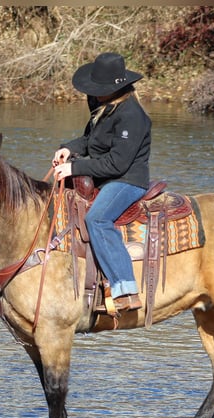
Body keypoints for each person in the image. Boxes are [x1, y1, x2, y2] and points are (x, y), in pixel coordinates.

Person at [52, 52, 151, 313]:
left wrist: (75, 166)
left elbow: (116, 163)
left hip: (126, 180)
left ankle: (125, 288)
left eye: (98, 90)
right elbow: (90, 141)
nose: (93, 94)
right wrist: (67, 149)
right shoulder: (104, 108)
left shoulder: (131, 116)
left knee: (97, 219)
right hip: (106, 175)